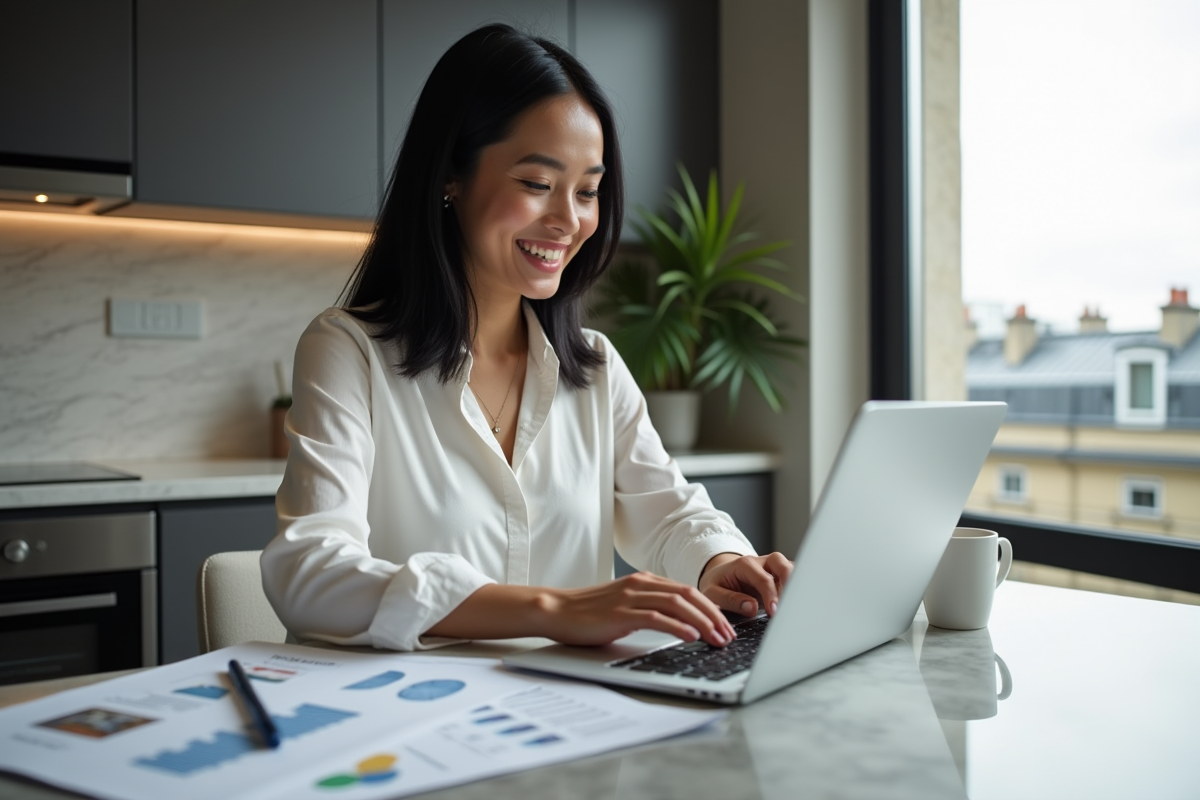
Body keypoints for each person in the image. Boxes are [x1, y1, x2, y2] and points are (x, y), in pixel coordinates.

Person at [260, 24, 793, 652]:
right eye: (537, 184)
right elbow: (308, 569)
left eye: (588, 191)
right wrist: (547, 609)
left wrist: (718, 562)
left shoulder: (594, 367)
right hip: (410, 724)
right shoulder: (348, 351)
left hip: (565, 721)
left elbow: (671, 513)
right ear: (449, 178)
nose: (569, 220)